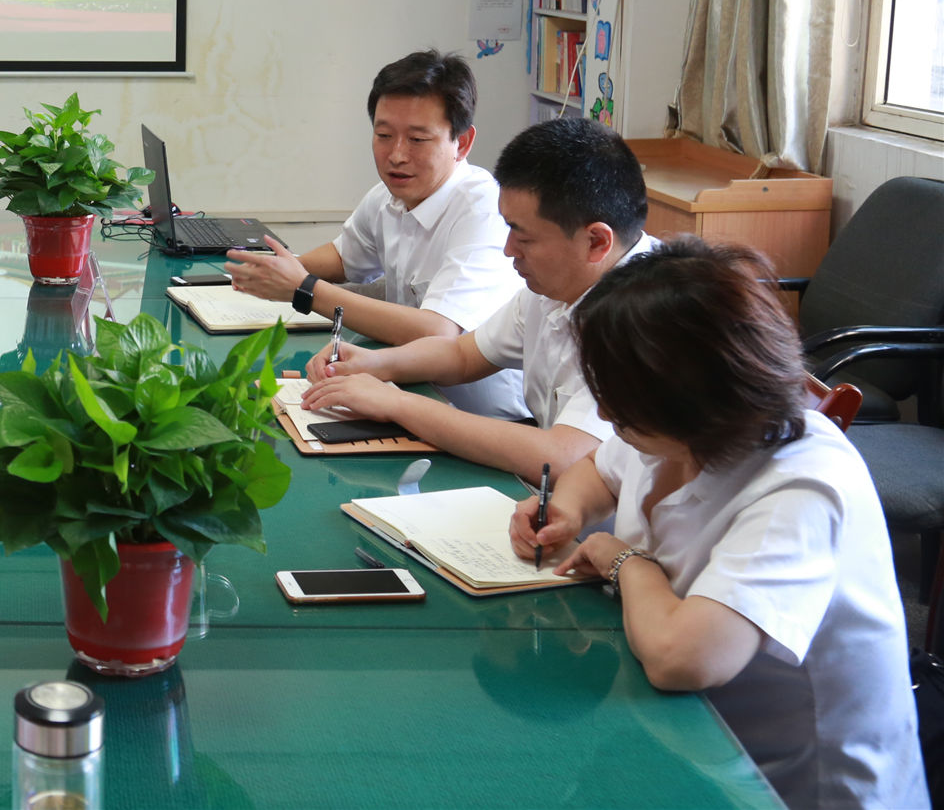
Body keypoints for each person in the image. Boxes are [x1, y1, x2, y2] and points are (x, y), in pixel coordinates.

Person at [509, 241, 922, 810]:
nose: (604, 415)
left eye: (616, 399)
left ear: (684, 395)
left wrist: (623, 561)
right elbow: (599, 471)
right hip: (684, 743)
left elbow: (684, 660)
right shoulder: (676, 427)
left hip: (786, 782)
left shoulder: (802, 485)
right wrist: (568, 510)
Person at [300, 116, 658, 481]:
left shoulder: (650, 319)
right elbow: (464, 355)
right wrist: (375, 363)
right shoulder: (557, 286)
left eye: (524, 237)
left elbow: (560, 457)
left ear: (596, 242)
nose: (508, 250)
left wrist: (397, 403)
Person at [225, 50, 527, 417]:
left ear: (461, 143)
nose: (396, 155)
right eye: (384, 135)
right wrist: (273, 269)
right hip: (409, 395)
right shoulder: (389, 195)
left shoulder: (484, 210)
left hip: (484, 419)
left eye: (417, 140)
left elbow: (437, 332)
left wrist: (304, 289)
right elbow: (344, 257)